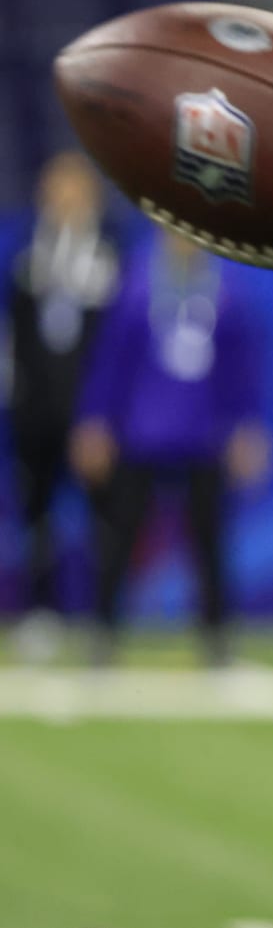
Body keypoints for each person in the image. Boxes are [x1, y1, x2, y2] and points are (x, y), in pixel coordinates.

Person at [71, 228, 270, 668]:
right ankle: (102, 634)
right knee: (120, 536)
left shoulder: (227, 288)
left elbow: (242, 367)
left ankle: (217, 640)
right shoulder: (136, 283)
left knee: (210, 541)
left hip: (204, 433)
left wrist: (247, 426)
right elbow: (110, 360)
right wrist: (95, 420)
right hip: (141, 431)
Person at [4, 153, 119, 662]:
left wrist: (102, 415)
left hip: (89, 414)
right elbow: (17, 336)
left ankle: (104, 617)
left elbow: (112, 346)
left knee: (103, 519)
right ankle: (41, 610)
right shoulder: (26, 255)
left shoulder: (110, 257)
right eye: (56, 192)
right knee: (38, 517)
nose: (65, 202)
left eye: (74, 192)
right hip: (35, 412)